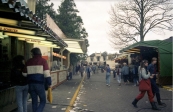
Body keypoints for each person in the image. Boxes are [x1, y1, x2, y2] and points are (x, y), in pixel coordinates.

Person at [23, 48, 52, 112]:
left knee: (34, 101)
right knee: (43, 101)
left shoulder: (28, 61)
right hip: (39, 84)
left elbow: (24, 74)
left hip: (31, 84)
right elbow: (47, 73)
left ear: (33, 54)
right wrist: (49, 83)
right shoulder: (43, 61)